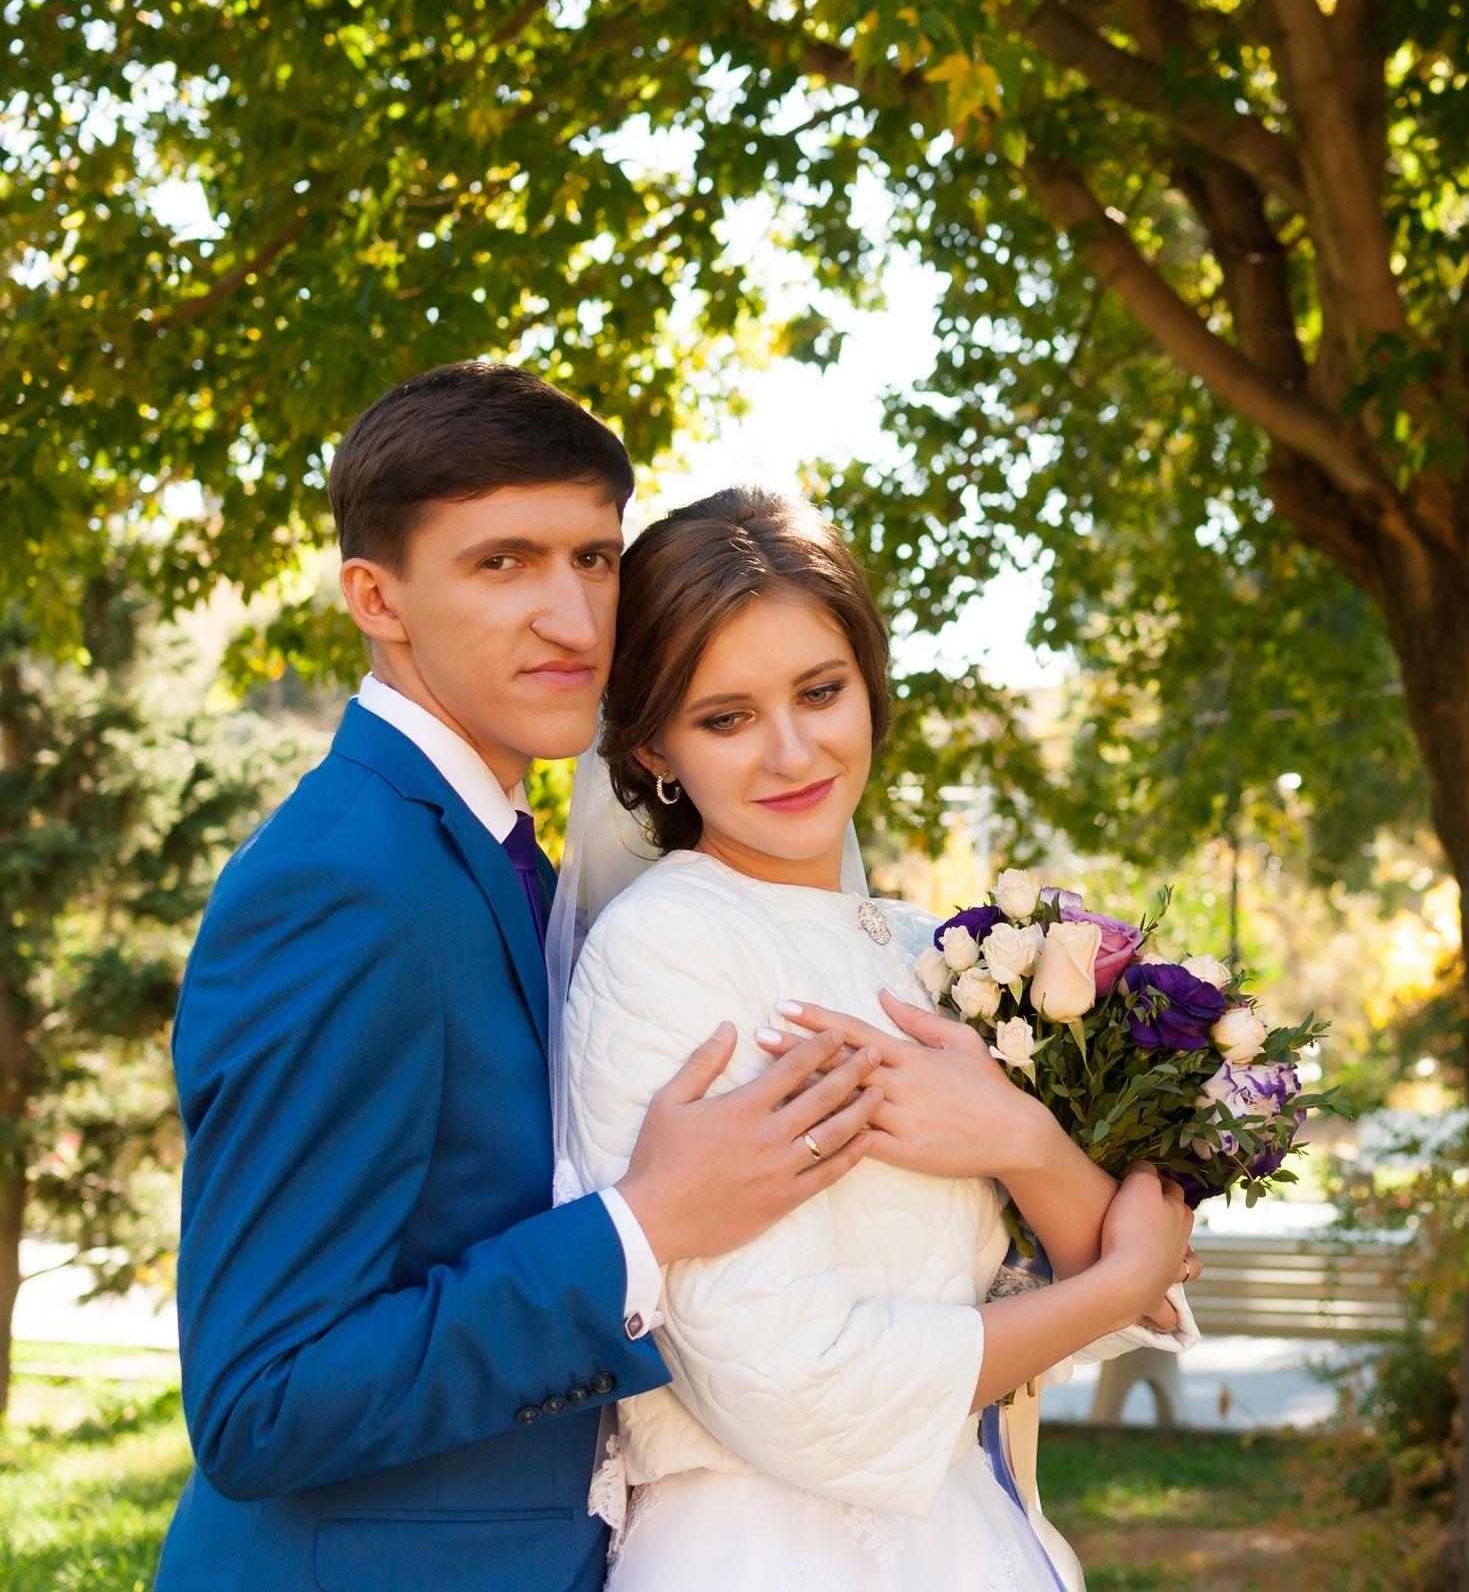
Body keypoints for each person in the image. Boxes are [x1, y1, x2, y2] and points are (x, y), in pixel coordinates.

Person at [159, 365, 891, 1591]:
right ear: (375, 596)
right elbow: (260, 1400)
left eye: (594, 558)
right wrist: (644, 1227)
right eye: (503, 562)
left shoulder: (497, 854)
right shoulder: (344, 883)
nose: (573, 619)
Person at [554, 486, 1198, 1589]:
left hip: (970, 1531)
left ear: (869, 683)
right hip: (758, 1553)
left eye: (821, 691)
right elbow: (790, 1384)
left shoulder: (930, 949)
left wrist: (1025, 1142)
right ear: (656, 745)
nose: (792, 751)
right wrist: (1115, 1280)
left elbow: (1114, 1302)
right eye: (726, 718)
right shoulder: (665, 948)